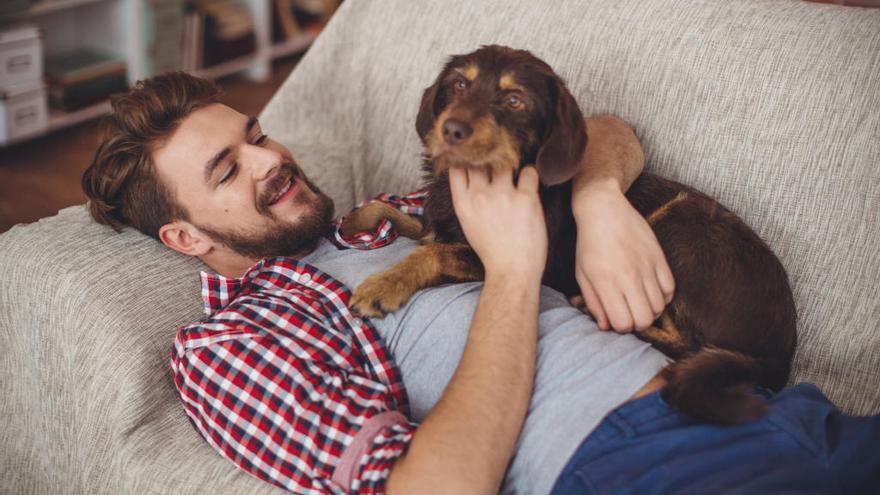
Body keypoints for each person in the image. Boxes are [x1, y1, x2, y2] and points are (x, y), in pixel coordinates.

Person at [82, 72, 878, 495]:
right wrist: (515, 268)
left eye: (256, 135)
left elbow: (599, 133)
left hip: (755, 404)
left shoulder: (392, 212)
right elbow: (437, 487)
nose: (270, 159)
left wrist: (598, 203)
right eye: (229, 169)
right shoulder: (232, 345)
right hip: (634, 460)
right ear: (185, 237)